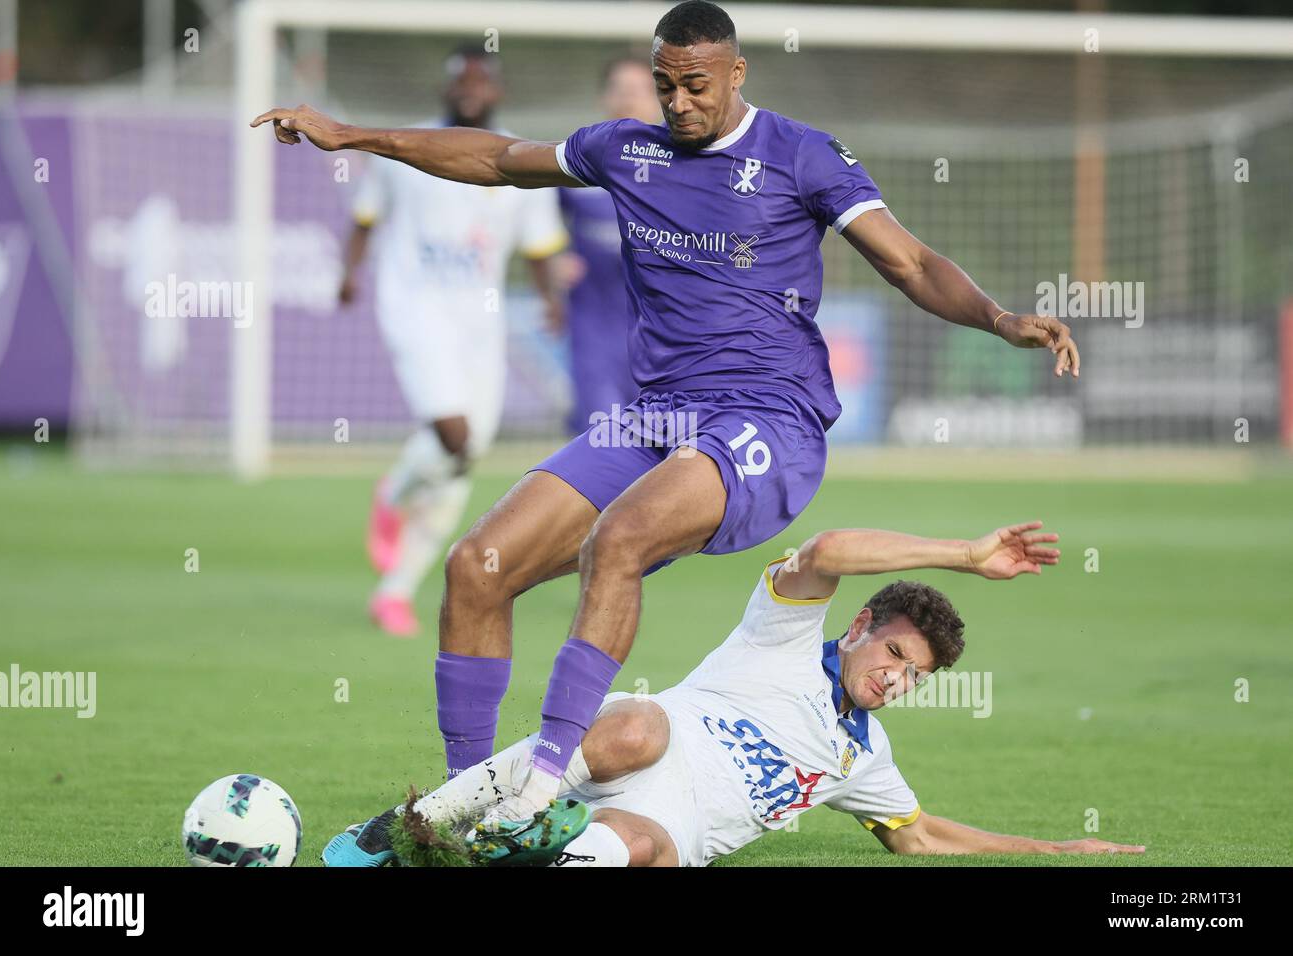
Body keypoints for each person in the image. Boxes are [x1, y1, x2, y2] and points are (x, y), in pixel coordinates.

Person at [252, 0, 1082, 825]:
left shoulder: (802, 155)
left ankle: (543, 778)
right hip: (654, 420)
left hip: (769, 420)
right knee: (478, 567)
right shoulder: (624, 150)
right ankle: (467, 803)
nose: (678, 103)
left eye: (695, 85)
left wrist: (1000, 318)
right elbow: (498, 158)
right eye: (664, 85)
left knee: (620, 537)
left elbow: (910, 263)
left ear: (735, 73)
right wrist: (353, 134)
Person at [324, 520, 1143, 866]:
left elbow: (920, 836)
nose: (897, 679)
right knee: (636, 723)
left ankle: (518, 851)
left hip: (674, 820)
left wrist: (1058, 851)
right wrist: (964, 552)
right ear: (861, 625)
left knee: (632, 846)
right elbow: (824, 546)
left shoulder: (863, 755)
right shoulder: (783, 632)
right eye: (895, 652)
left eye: (915, 675)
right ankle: (410, 827)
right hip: (651, 741)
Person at [339, 46, 569, 637]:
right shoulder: (407, 149)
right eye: (459, 81)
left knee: (465, 454)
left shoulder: (523, 159)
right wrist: (349, 273)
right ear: (444, 89)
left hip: (480, 319)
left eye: (480, 82)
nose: (470, 90)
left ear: (497, 91)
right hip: (413, 305)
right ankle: (395, 493)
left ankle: (394, 589)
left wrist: (550, 299)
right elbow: (365, 217)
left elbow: (542, 247)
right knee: (453, 433)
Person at [557, 56, 657, 433]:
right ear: (604, 97)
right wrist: (553, 259)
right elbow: (535, 226)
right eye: (620, 90)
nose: (629, 99)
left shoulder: (686, 168)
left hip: (664, 343)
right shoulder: (577, 164)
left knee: (665, 458)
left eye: (639, 90)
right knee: (601, 446)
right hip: (595, 337)